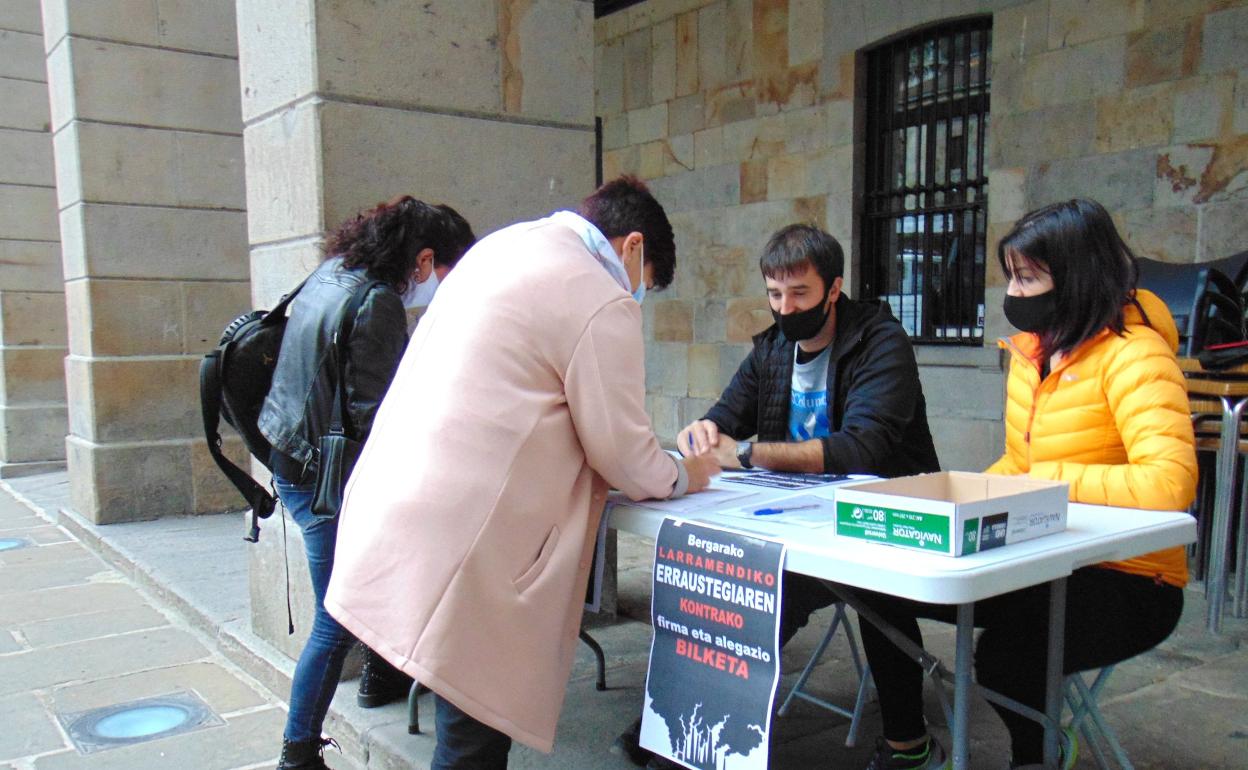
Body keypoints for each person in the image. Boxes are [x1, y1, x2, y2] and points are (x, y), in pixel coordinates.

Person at [323, 176, 720, 769]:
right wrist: (691, 472)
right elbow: (625, 455)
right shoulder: (600, 294)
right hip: (474, 538)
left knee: (459, 719)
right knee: (472, 737)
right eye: (648, 284)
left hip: (398, 499)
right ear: (633, 246)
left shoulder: (502, 246)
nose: (639, 295)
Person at [857, 199, 1198, 770]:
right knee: (879, 582)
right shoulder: (1031, 354)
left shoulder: (1136, 355)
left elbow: (1170, 483)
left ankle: (1036, 757)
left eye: (1029, 277)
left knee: (1008, 657)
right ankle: (907, 744)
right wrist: (954, 498)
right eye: (1012, 276)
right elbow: (1018, 462)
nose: (1014, 293)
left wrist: (1046, 482)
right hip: (1040, 554)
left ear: (1078, 278)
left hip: (1132, 580)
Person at [614, 223, 940, 769]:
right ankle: (676, 721)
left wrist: (748, 454)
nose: (785, 308)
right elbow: (724, 416)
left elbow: (863, 448)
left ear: (834, 289)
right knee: (726, 576)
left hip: (885, 517)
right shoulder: (772, 350)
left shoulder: (880, 341)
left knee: (868, 585)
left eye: (800, 293)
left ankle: (910, 743)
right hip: (797, 515)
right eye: (774, 294)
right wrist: (702, 430)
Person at [258, 196, 476, 770]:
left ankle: (381, 677)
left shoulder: (332, 273)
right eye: (444, 274)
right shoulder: (376, 301)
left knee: (357, 599)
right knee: (333, 623)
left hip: (293, 459)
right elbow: (380, 414)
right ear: (424, 259)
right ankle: (297, 752)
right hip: (324, 479)